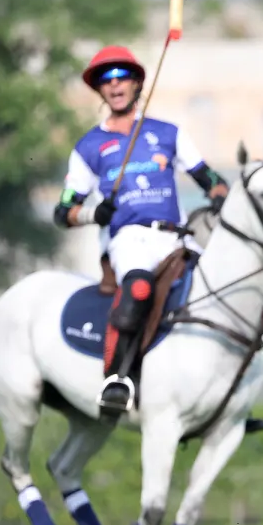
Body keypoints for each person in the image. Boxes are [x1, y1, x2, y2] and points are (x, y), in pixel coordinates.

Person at [53, 45, 229, 414]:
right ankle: (119, 378)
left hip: (175, 237)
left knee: (217, 284)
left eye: (122, 77)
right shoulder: (90, 146)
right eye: (106, 79)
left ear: (136, 83)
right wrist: (92, 215)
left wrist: (217, 194)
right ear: (99, 90)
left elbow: (208, 177)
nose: (115, 85)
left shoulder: (168, 134)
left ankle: (228, 384)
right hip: (127, 239)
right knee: (138, 286)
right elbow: (63, 211)